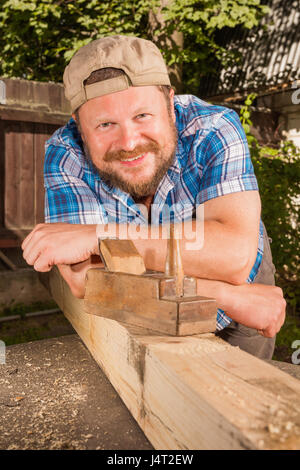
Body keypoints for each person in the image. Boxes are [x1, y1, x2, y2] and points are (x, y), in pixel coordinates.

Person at [21, 35, 286, 359]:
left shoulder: (214, 127)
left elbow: (233, 259)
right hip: (229, 301)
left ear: (170, 104)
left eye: (142, 116)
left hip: (241, 307)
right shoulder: (65, 153)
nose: (129, 142)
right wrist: (221, 294)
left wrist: (99, 237)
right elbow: (84, 282)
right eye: (105, 124)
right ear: (79, 125)